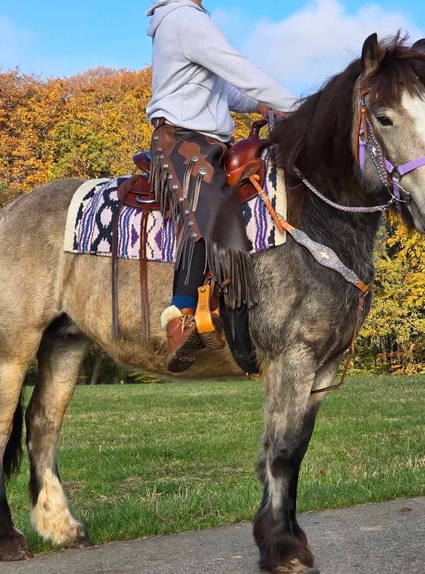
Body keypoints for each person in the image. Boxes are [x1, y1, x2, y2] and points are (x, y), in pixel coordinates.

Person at [146, 0, 297, 373]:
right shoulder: (184, 19)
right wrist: (298, 106)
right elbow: (239, 68)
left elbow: (223, 91)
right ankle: (180, 317)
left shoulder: (185, 22)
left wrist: (261, 105)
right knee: (209, 207)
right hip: (183, 142)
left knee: (231, 200)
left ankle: (236, 320)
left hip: (208, 143)